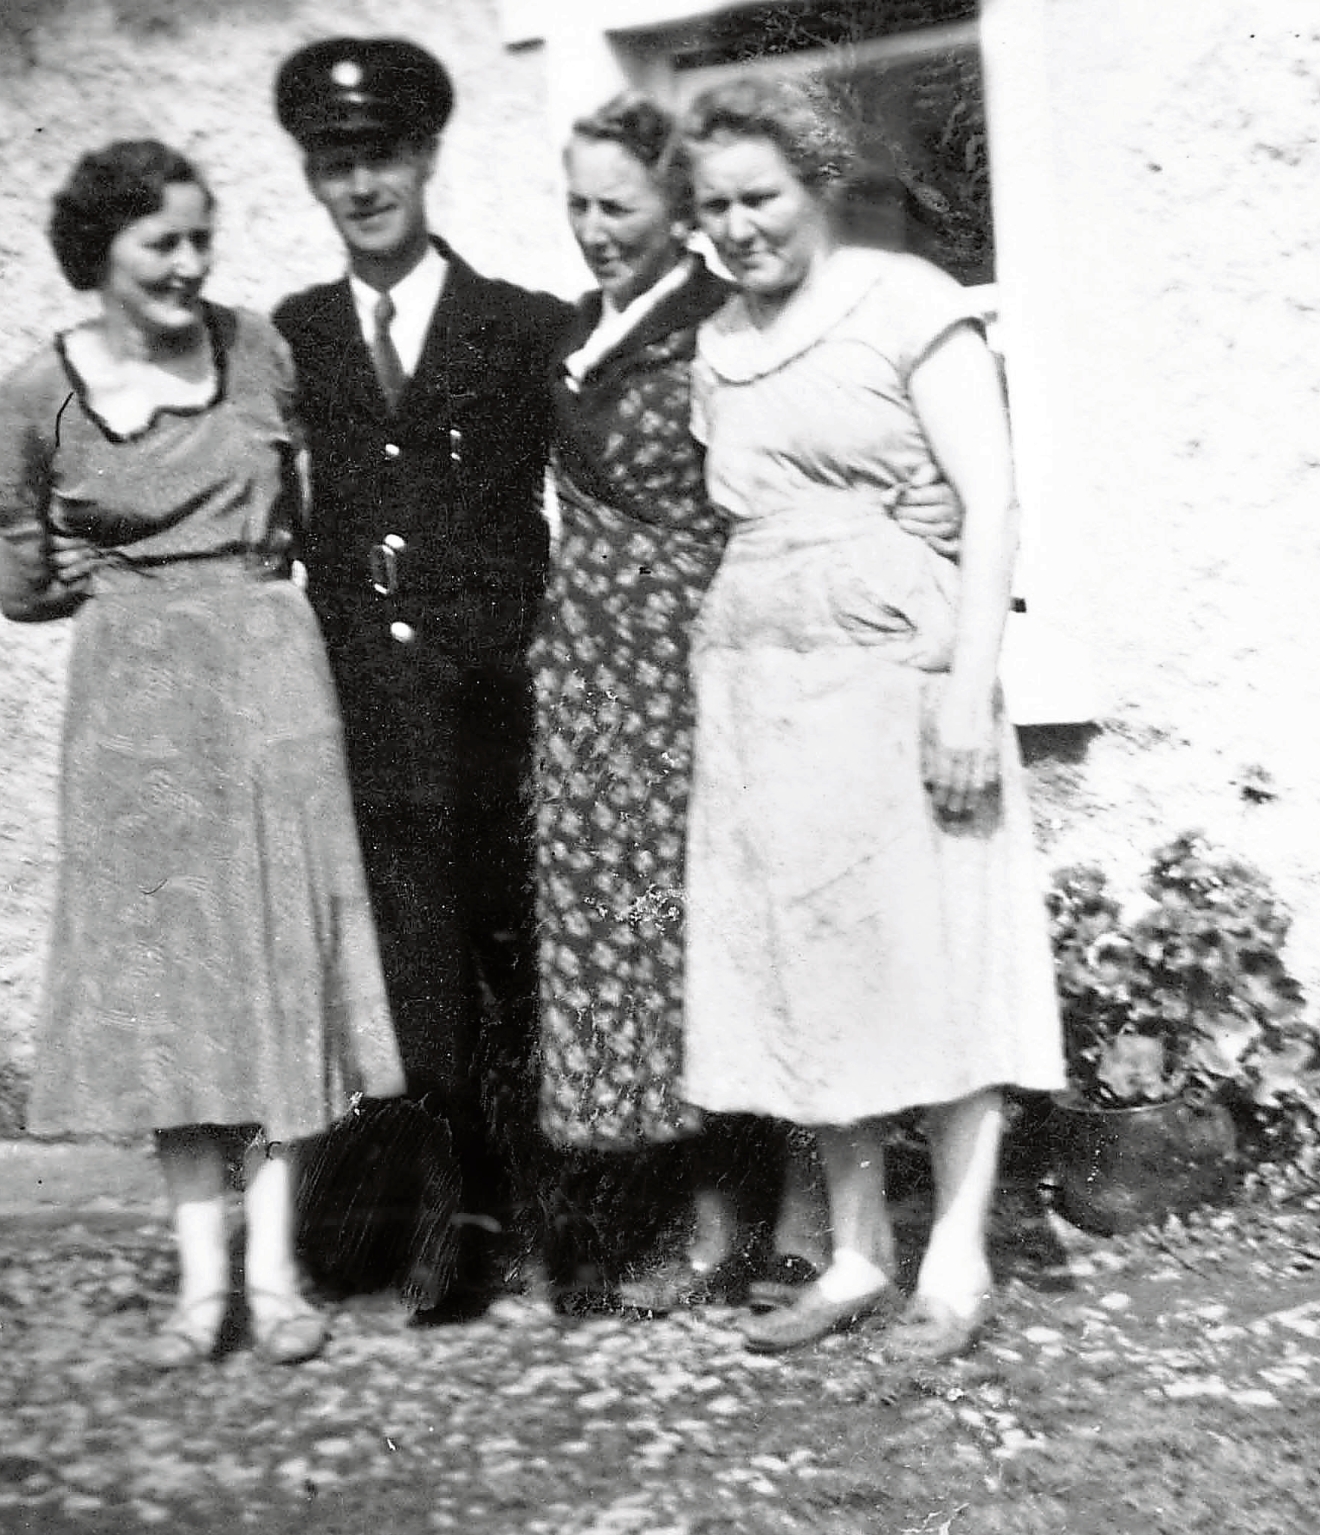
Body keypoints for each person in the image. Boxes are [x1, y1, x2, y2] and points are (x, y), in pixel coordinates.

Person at [531, 92, 962, 1313]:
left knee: (733, 926)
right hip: (596, 666)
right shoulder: (575, 331)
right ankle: (696, 1202)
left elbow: (818, 463)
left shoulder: (720, 330)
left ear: (676, 211)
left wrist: (911, 511)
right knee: (636, 926)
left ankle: (782, 1211)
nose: (596, 230)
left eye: (620, 206)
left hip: (707, 648)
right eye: (577, 206)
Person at [0, 139, 404, 1367]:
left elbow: (314, 511)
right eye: (160, 242)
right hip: (134, 699)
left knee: (277, 962)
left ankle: (275, 1276)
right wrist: (81, 573)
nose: (188, 264)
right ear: (98, 251)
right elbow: (18, 580)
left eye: (200, 239)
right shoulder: (32, 397)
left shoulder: (259, 350)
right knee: (170, 980)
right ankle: (200, 1282)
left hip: (268, 675)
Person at [677, 78, 1066, 1360]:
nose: (738, 227)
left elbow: (991, 505)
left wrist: (966, 693)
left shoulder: (906, 303)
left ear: (820, 184)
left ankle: (956, 1259)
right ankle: (856, 1252)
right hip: (762, 685)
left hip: (899, 666)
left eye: (761, 197)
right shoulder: (718, 344)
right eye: (714, 207)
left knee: (935, 954)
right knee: (809, 963)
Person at [271, 37, 572, 1311]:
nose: (361, 185)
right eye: (335, 163)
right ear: (311, 177)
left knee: (522, 953)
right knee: (409, 960)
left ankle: (563, 1210)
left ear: (429, 156)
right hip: (368, 703)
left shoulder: (523, 326)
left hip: (503, 697)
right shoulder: (292, 336)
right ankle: (450, 1217)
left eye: (382, 156)